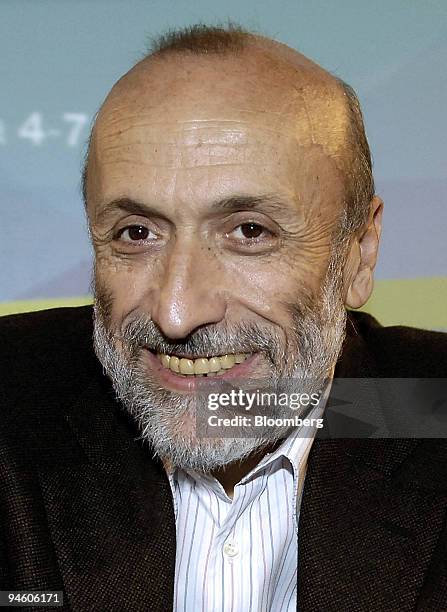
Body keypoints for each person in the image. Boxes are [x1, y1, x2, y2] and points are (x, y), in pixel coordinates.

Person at [1, 24, 446, 612]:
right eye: (137, 233)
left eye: (249, 232)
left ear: (358, 251)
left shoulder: (428, 406)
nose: (176, 312)